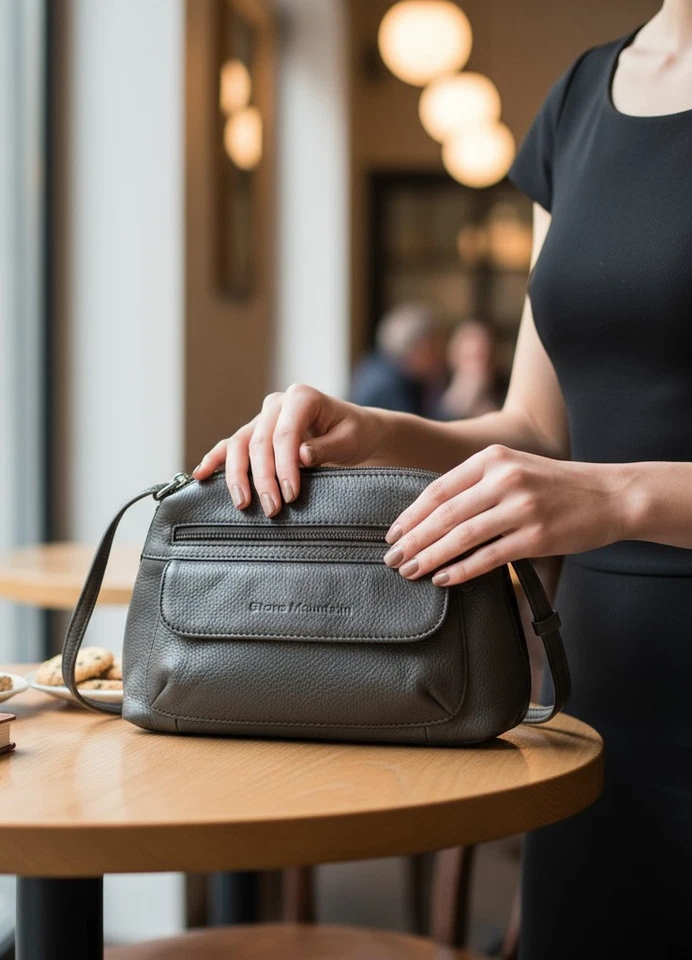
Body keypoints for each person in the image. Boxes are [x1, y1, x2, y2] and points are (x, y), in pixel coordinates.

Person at [193, 6, 692, 956]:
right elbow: (535, 429)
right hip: (595, 703)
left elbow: (575, 474)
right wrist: (374, 429)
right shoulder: (584, 98)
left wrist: (617, 497)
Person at [348, 302, 445, 416]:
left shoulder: (384, 368)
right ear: (417, 349)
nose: (441, 355)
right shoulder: (386, 386)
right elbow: (419, 431)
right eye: (434, 348)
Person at [437, 319, 507, 420]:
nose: (481, 365)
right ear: (455, 357)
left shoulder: (508, 389)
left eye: (485, 355)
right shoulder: (438, 388)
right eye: (473, 357)